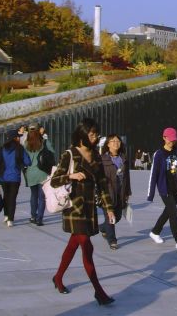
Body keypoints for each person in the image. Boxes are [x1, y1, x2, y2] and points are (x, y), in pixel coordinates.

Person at [51, 118, 115, 305]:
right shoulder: (70, 154)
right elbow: (55, 180)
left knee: (73, 245)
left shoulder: (96, 156)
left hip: (89, 210)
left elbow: (103, 185)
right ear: (82, 135)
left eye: (96, 134)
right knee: (87, 246)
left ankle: (58, 277)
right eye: (92, 134)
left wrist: (109, 209)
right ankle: (99, 292)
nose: (95, 138)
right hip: (74, 208)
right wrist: (71, 175)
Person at [147, 127, 177, 249]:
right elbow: (153, 174)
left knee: (168, 212)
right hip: (165, 189)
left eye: (174, 140)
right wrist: (150, 194)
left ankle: (155, 232)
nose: (172, 142)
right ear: (164, 138)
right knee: (174, 214)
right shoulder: (159, 154)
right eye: (170, 140)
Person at [100, 134, 132, 249]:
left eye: (118, 141)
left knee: (117, 217)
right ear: (108, 144)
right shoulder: (102, 159)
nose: (116, 143)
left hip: (120, 192)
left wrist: (128, 191)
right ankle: (112, 240)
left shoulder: (124, 158)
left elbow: (127, 176)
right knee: (110, 217)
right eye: (113, 141)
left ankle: (103, 228)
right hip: (107, 192)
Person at [0, 129, 30, 227]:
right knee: (12, 198)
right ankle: (10, 219)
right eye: (18, 137)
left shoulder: (2, 149)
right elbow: (28, 162)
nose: (19, 138)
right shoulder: (20, 148)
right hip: (15, 177)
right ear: (15, 138)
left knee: (6, 196)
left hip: (4, 177)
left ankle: (6, 215)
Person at [23, 125, 48, 226]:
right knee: (42, 197)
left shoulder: (26, 145)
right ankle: (39, 218)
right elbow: (51, 154)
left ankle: (33, 216)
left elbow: (24, 159)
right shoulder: (43, 144)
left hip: (30, 173)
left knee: (33, 195)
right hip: (42, 172)